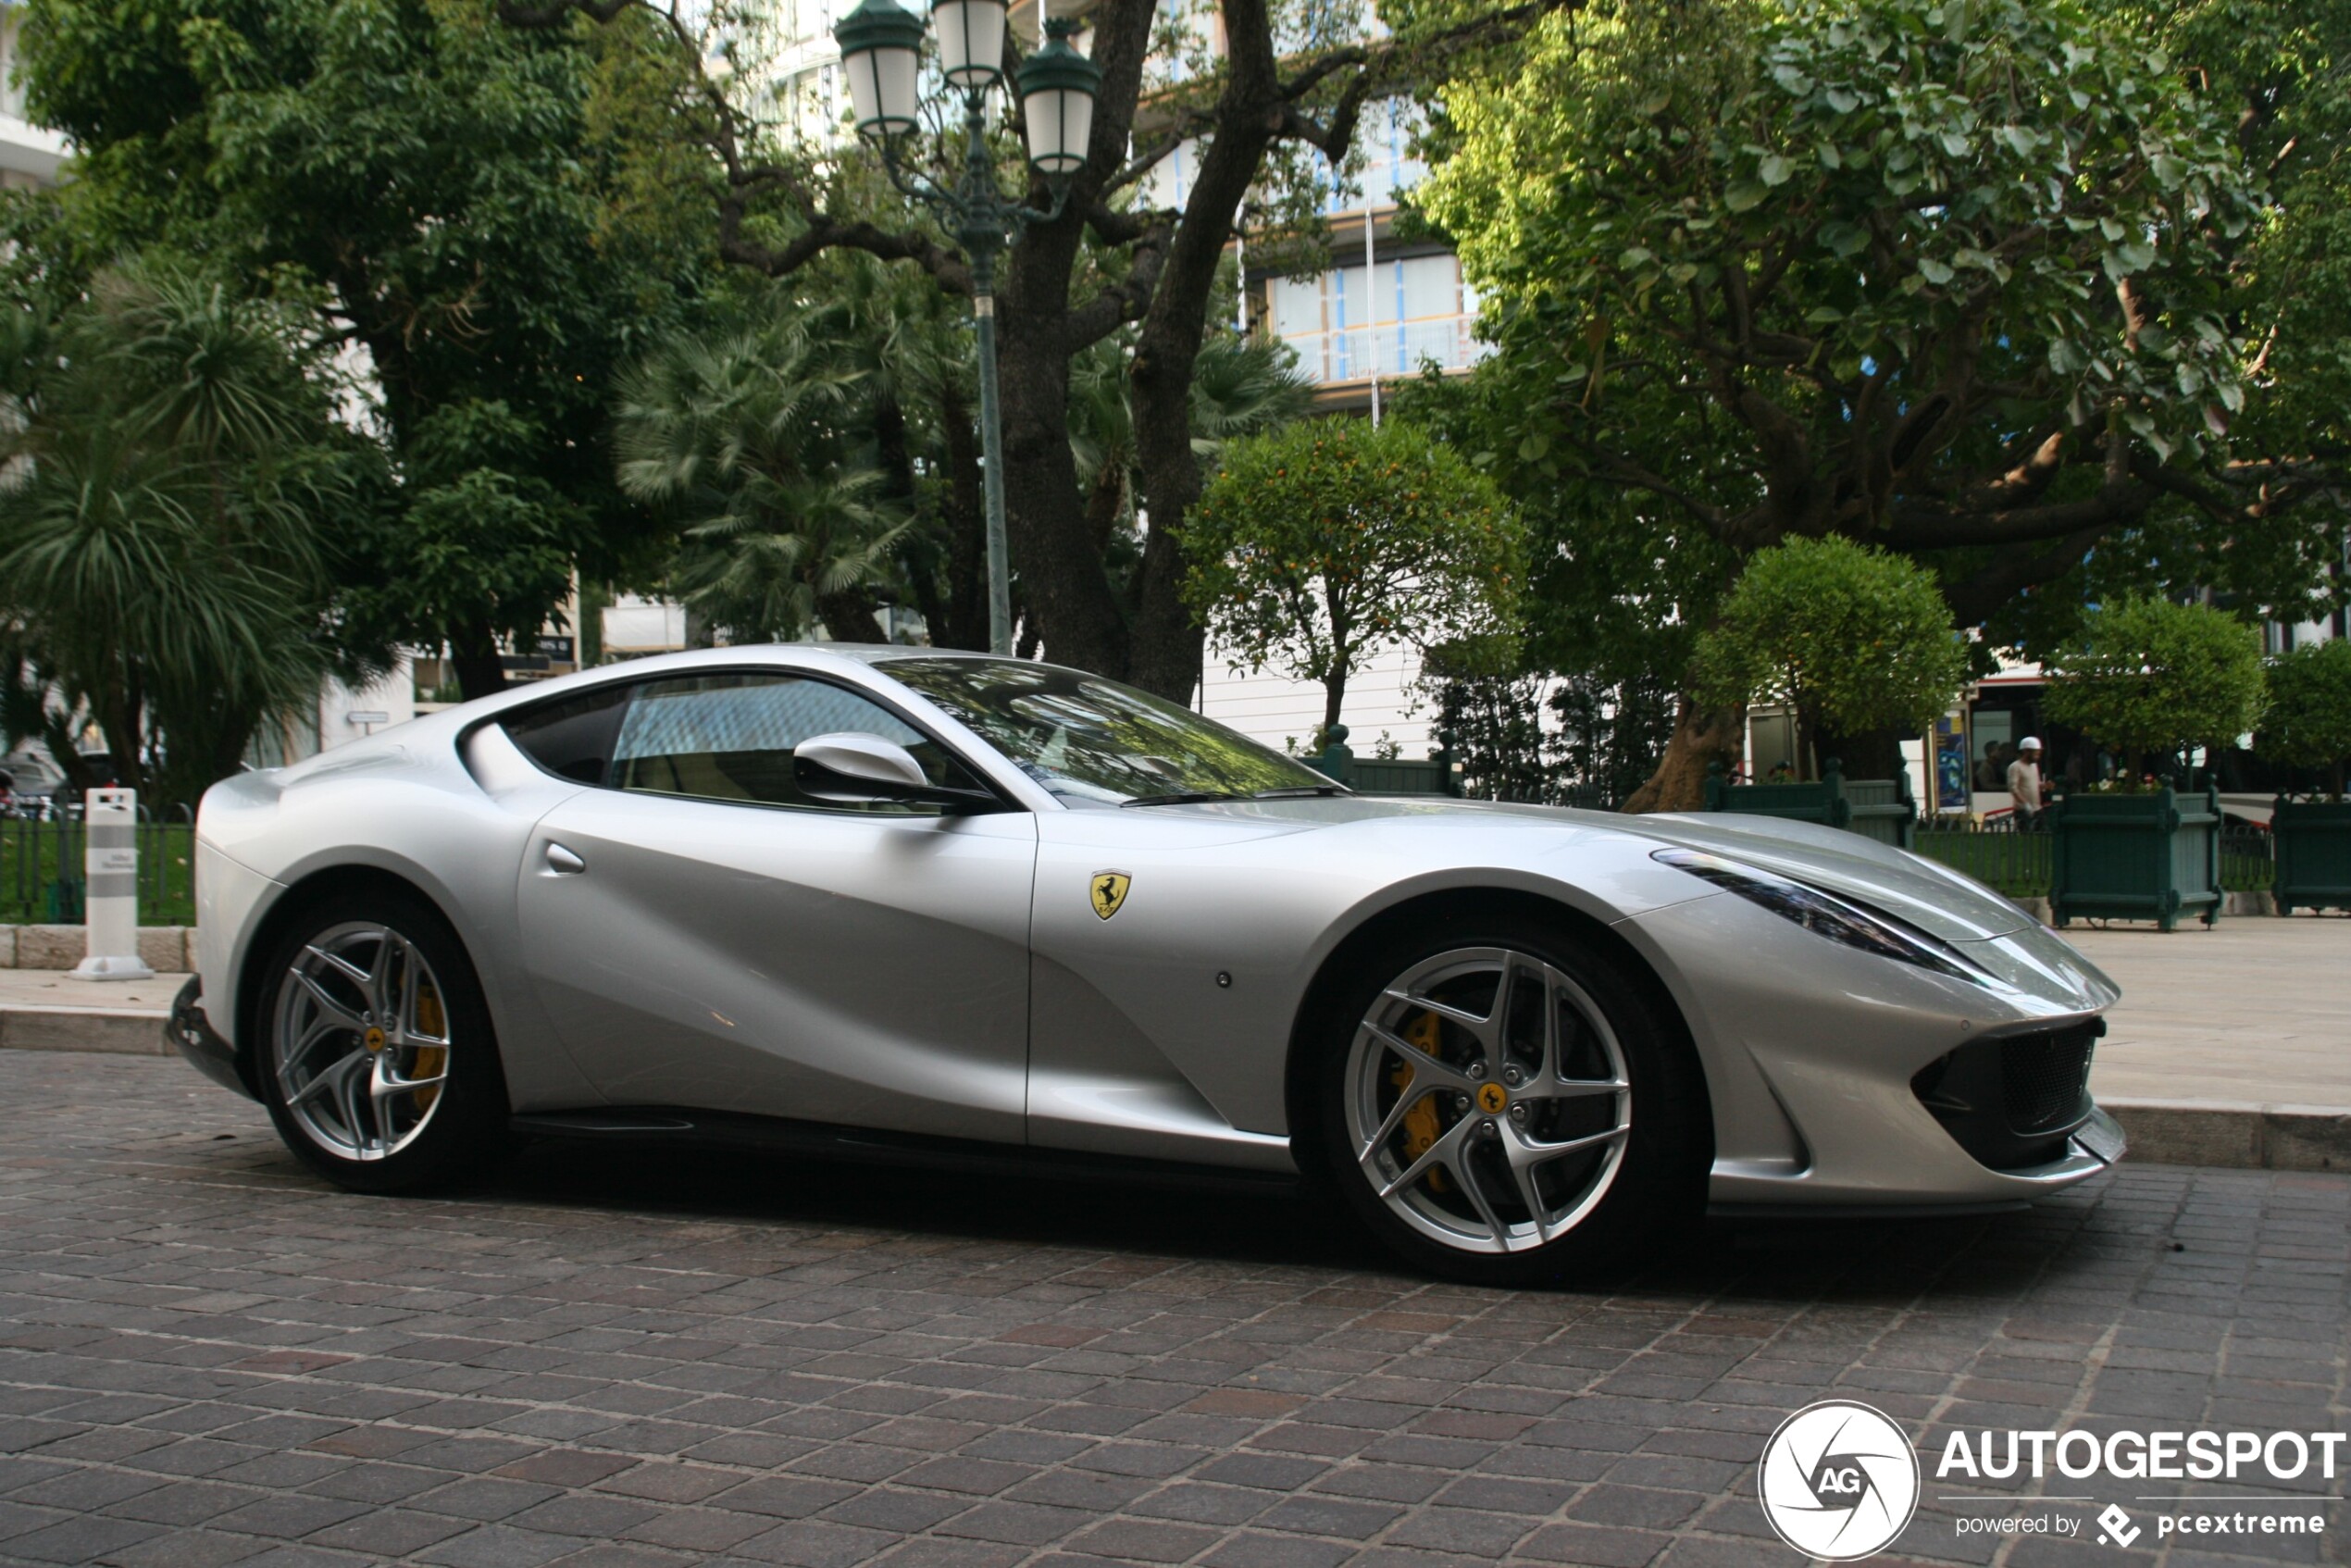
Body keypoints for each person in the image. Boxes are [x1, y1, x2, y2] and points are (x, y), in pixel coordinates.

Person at [2007, 737, 2046, 828]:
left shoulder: (2034, 766)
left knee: (2042, 835)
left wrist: (2044, 786)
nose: (2038, 757)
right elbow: (2013, 789)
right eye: (2035, 754)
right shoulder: (2015, 767)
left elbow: (2036, 784)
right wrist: (2025, 804)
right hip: (2023, 810)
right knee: (2028, 836)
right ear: (2026, 751)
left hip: (2037, 808)